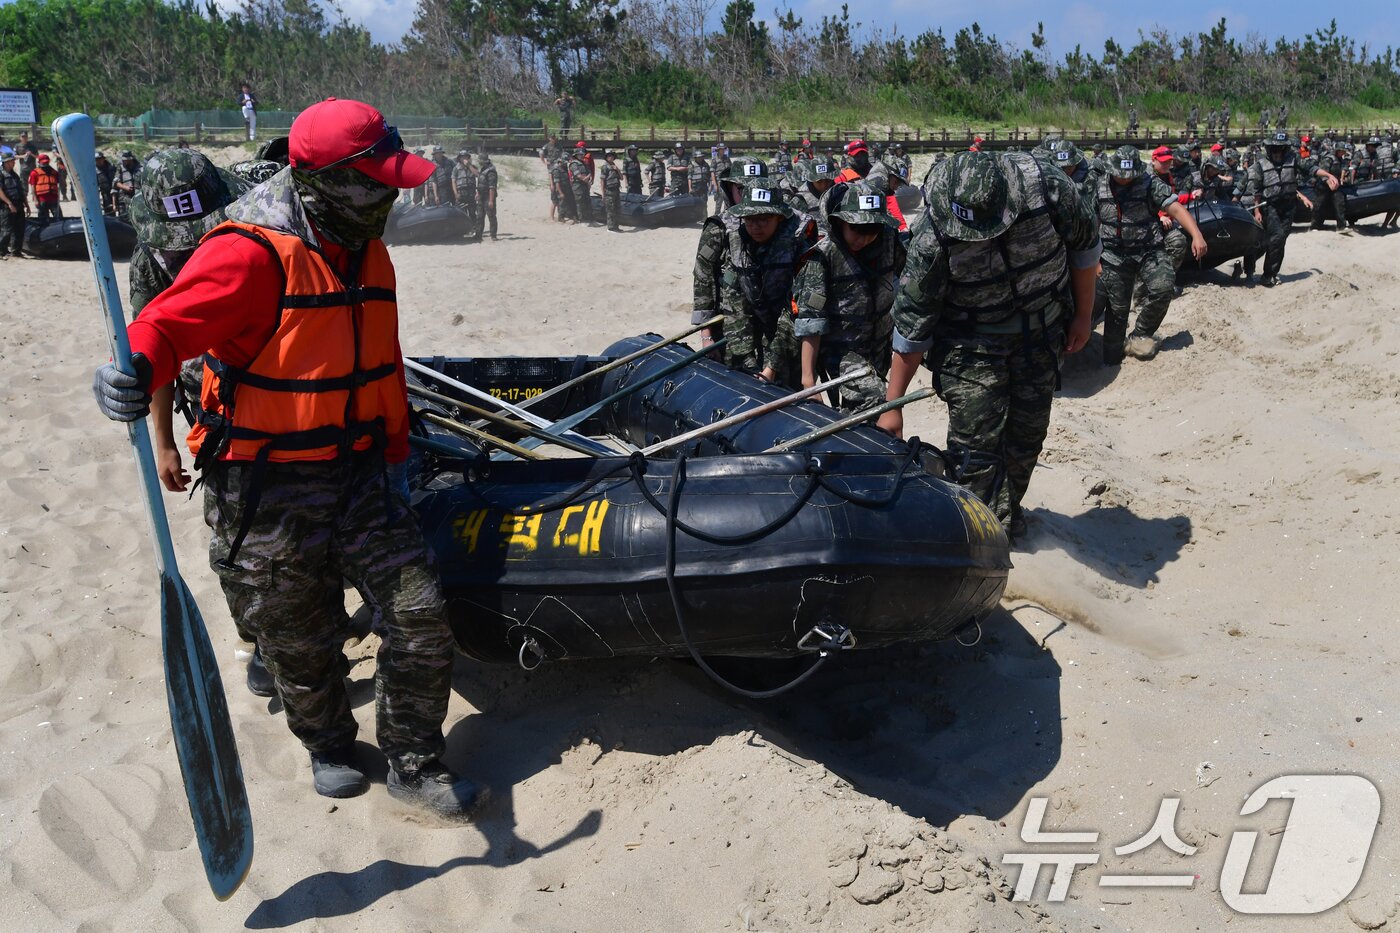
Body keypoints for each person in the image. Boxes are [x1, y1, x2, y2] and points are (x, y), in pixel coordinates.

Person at [90, 97, 484, 816]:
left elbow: (382, 359)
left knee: (419, 612)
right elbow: (166, 326)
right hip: (267, 487)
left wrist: (394, 453)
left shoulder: (366, 246)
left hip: (362, 473)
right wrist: (134, 372)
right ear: (327, 182)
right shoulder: (249, 251)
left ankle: (414, 757)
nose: (392, 194)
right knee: (297, 642)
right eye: (378, 182)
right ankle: (330, 744)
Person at [878, 150, 1102, 541]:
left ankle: (1007, 517)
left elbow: (1085, 247)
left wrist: (1083, 314)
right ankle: (980, 540)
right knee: (975, 451)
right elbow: (914, 321)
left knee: (1026, 440)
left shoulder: (1048, 189)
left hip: (1040, 333)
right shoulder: (934, 236)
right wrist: (891, 406)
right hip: (970, 345)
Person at [792, 181, 906, 411]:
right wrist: (808, 382)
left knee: (857, 411)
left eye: (872, 230)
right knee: (874, 400)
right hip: (841, 353)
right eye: (857, 229)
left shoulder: (889, 241)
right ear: (839, 221)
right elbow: (810, 322)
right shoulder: (823, 258)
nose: (864, 238)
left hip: (878, 348)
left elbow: (907, 279)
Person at [693, 174, 815, 386]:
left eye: (764, 219)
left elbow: (795, 309)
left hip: (786, 329)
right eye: (750, 219)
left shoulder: (797, 243)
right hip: (744, 325)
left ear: (779, 217)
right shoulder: (736, 242)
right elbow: (734, 302)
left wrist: (772, 366)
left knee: (784, 387)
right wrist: (746, 360)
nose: (756, 226)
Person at [1093, 146, 1207, 364]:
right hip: (1113, 255)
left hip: (1148, 250)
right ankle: (1112, 355)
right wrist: (1093, 258)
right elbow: (1091, 222)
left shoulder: (1150, 183)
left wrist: (1197, 235)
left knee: (1163, 288)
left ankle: (1140, 334)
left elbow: (1175, 208)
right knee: (1117, 314)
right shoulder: (1098, 185)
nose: (1124, 180)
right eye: (1119, 175)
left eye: (1129, 176)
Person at [1243, 133, 1318, 286]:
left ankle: (1269, 274)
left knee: (1279, 240)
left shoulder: (1292, 160)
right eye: (1274, 149)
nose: (1278, 152)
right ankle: (1249, 269)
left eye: (1281, 148)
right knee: (1268, 240)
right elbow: (1256, 190)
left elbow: (1308, 170)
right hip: (1269, 206)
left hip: (1288, 206)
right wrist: (1257, 212)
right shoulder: (1260, 165)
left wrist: (1328, 175)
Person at [1310, 142, 1351, 235]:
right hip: (1323, 185)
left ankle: (1341, 226)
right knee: (1319, 205)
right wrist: (1328, 181)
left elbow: (1344, 169)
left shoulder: (1342, 159)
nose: (1343, 153)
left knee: (1340, 204)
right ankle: (1315, 225)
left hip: (1335, 185)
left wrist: (1343, 178)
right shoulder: (1329, 158)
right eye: (1342, 151)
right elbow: (1323, 172)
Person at [0, 148, 26, 258]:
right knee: (6, 230)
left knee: (19, 229)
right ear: (6, 162)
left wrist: (26, 204)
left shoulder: (14, 174)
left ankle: (16, 251)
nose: (14, 162)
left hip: (19, 204)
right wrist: (9, 203)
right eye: (12, 161)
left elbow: (20, 189)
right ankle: (2, 252)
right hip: (7, 206)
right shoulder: (1, 173)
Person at [27, 153, 62, 225]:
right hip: (41, 200)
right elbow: (33, 187)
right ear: (39, 162)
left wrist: (58, 198)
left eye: (46, 162)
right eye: (43, 162)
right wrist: (36, 200)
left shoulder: (54, 172)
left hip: (54, 199)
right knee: (43, 219)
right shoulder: (34, 173)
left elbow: (58, 185)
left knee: (59, 218)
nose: (45, 164)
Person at [113, 150, 141, 220]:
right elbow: (116, 183)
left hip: (138, 198)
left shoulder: (140, 168)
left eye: (126, 160)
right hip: (125, 198)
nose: (124, 162)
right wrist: (125, 187)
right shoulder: (120, 168)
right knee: (125, 219)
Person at [569, 146, 594, 224]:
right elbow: (578, 175)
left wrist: (588, 179)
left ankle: (588, 218)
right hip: (578, 185)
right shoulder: (574, 164)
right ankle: (581, 219)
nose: (581, 155)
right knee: (579, 202)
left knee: (587, 201)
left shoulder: (584, 163)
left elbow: (589, 172)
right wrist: (586, 179)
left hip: (585, 185)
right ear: (576, 155)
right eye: (579, 154)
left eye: (582, 154)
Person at [599, 149, 622, 232]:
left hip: (616, 190)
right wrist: (603, 193)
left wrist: (617, 170)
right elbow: (602, 180)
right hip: (609, 191)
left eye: (612, 156)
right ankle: (611, 227)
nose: (611, 157)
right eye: (609, 156)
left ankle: (616, 226)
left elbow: (621, 178)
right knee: (610, 209)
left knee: (617, 208)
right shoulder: (605, 167)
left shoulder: (614, 165)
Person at [475, 152, 498, 241]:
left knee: (491, 216)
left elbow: (492, 187)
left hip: (488, 196)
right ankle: (478, 235)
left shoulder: (491, 171)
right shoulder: (483, 169)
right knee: (479, 216)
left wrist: (491, 200)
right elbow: (480, 183)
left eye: (480, 160)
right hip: (481, 195)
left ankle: (493, 235)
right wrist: (478, 193)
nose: (479, 162)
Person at [552, 149, 577, 222]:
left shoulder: (565, 168)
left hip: (568, 188)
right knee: (561, 204)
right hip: (561, 189)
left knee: (570, 202)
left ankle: (571, 215)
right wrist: (560, 193)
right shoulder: (557, 170)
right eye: (564, 162)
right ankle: (561, 217)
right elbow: (557, 183)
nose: (566, 164)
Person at [95, 150, 117, 215]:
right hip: (104, 194)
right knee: (108, 212)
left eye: (100, 159)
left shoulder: (111, 167)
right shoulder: (95, 170)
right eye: (96, 159)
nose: (98, 161)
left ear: (103, 159)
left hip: (115, 192)